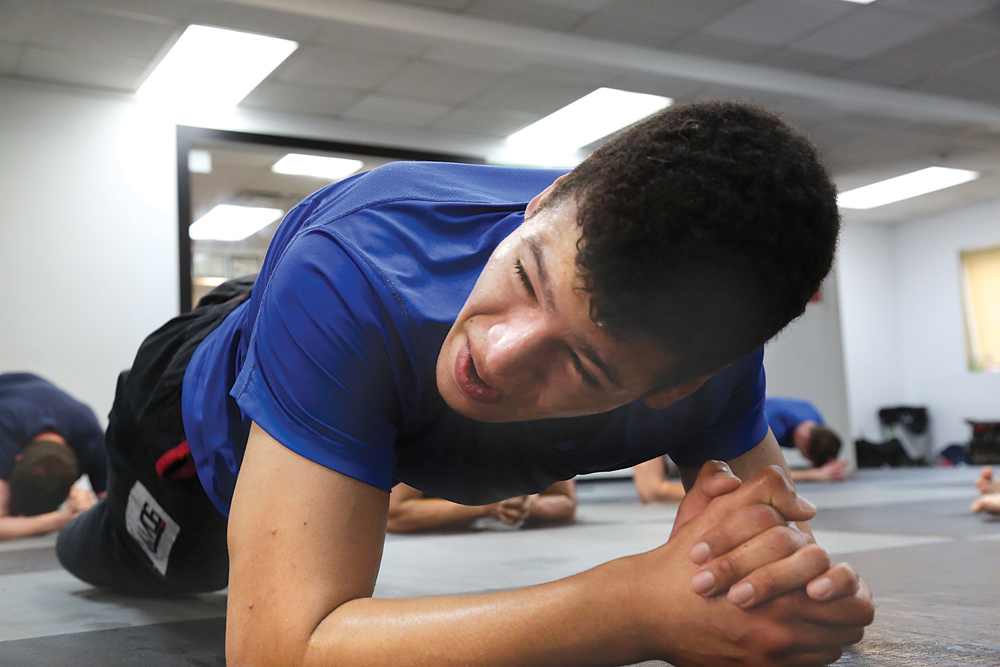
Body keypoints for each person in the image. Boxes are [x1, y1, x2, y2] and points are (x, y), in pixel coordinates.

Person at [58, 102, 873, 666]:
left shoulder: (711, 376)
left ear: (678, 386)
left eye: (582, 363)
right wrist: (637, 606)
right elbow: (279, 650)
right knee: (119, 559)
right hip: (188, 420)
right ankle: (79, 512)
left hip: (328, 319)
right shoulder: (357, 266)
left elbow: (776, 571)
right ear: (545, 200)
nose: (498, 353)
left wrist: (791, 598)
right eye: (527, 274)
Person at [0, 372, 105, 540]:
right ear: (15, 457)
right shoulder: (4, 433)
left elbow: (119, 512)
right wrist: (62, 519)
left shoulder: (92, 440)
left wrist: (84, 509)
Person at [387, 479, 576, 533]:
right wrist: (486, 506)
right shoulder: (429, 427)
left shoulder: (543, 423)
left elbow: (566, 502)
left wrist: (525, 505)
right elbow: (394, 514)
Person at [766, 396, 849, 482]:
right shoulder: (772, 427)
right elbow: (765, 472)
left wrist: (831, 466)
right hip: (757, 420)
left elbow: (825, 445)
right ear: (805, 439)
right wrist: (814, 474)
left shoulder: (816, 421)